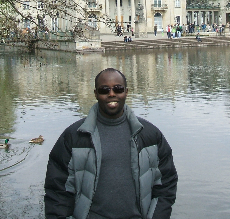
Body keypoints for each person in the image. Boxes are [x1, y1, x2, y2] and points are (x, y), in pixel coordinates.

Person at [44, 68, 178, 219]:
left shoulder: (150, 135)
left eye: (118, 88)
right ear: (96, 94)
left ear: (126, 92)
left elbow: (166, 184)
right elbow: (57, 192)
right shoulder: (73, 137)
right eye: (104, 89)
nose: (112, 94)